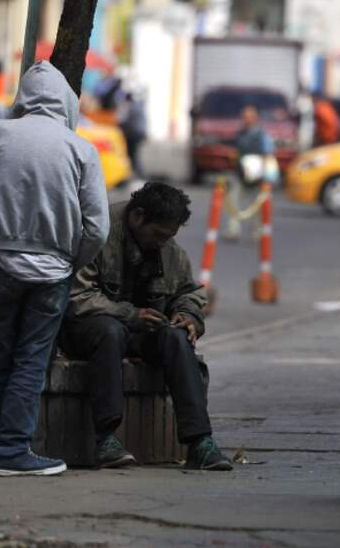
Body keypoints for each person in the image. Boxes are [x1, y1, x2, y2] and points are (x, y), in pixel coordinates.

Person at [0, 60, 110, 476]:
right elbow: (98, 228)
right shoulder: (80, 148)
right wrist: (71, 261)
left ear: (24, 98)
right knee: (32, 358)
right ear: (67, 102)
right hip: (54, 269)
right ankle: (12, 449)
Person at [60, 182, 232, 471]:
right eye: (158, 235)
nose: (163, 242)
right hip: (86, 332)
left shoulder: (168, 249)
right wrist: (129, 314)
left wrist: (188, 315)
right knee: (110, 331)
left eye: (169, 236)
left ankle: (199, 442)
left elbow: (189, 292)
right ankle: (105, 439)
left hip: (138, 332)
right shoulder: (98, 233)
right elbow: (77, 297)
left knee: (176, 339)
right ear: (138, 217)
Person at [224, 105, 275, 241]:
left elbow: (267, 155)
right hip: (241, 173)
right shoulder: (241, 133)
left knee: (256, 205)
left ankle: (256, 232)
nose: (246, 119)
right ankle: (232, 230)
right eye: (244, 116)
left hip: (257, 175)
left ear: (255, 118)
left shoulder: (261, 135)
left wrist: (267, 176)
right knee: (233, 201)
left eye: (248, 116)